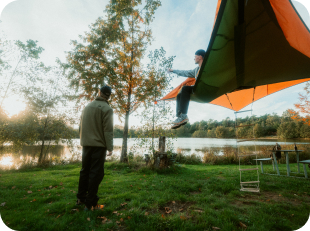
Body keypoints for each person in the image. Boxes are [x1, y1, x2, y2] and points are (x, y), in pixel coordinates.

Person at [76, 85, 114, 211]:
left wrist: (83, 141)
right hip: (99, 146)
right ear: (109, 95)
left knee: (84, 171)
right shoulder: (107, 109)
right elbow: (108, 131)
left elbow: (80, 126)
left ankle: (81, 199)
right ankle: (90, 204)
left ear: (99, 92)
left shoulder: (87, 107)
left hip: (86, 144)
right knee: (96, 174)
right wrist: (110, 148)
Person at [168, 49, 205, 129]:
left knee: (185, 88)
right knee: (179, 94)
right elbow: (185, 72)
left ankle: (183, 116)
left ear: (200, 57)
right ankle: (180, 117)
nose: (194, 58)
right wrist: (173, 70)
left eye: (195, 57)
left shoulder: (208, 65)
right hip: (198, 89)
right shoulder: (196, 70)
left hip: (206, 88)